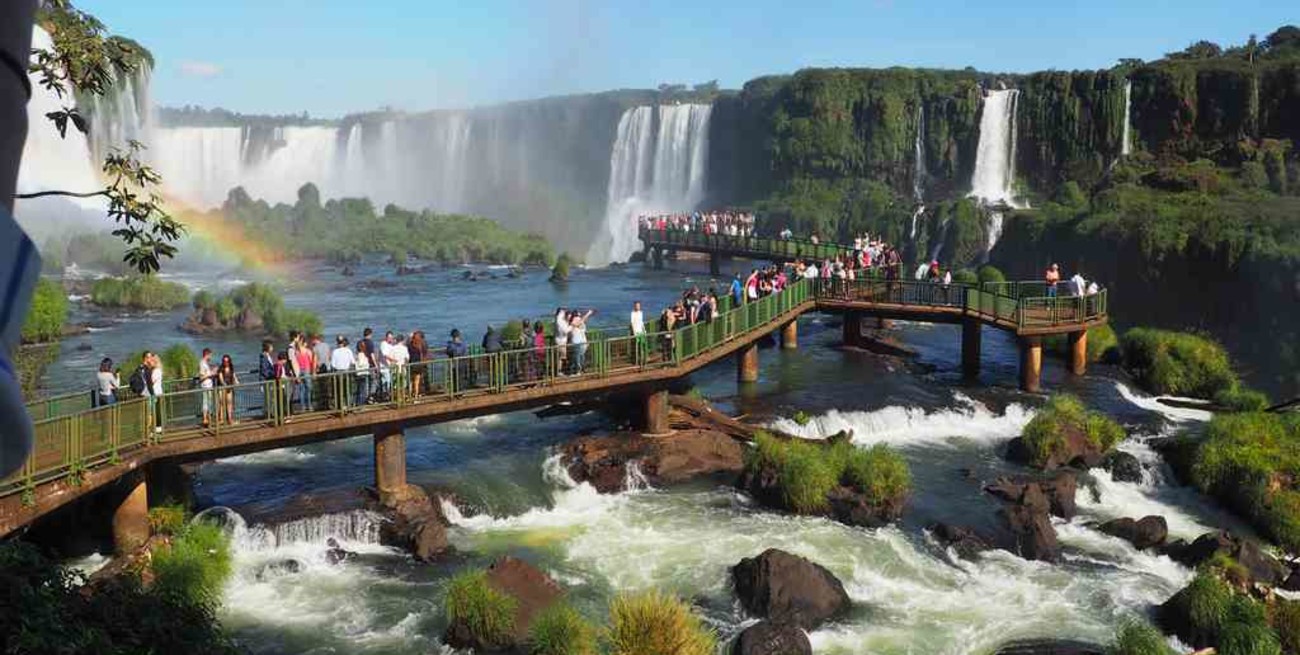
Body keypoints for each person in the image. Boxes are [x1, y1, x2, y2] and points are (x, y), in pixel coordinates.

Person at [569, 309, 594, 373]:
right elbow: (580, 322)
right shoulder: (572, 322)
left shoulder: (579, 320)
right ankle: (578, 370)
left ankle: (582, 368)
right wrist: (588, 313)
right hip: (576, 341)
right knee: (577, 356)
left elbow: (583, 321)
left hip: (582, 340)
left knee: (581, 355)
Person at [216, 355, 238, 425]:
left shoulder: (231, 368)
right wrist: (224, 384)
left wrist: (236, 381)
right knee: (221, 403)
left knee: (229, 403)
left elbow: (234, 376)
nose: (226, 363)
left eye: (227, 361)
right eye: (224, 361)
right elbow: (221, 378)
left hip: (229, 388)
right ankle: (221, 420)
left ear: (229, 361)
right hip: (222, 388)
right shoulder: (221, 369)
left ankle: (230, 419)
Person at [198, 348, 215, 428]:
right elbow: (201, 377)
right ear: (207, 355)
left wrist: (212, 372)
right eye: (210, 355)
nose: (211, 357)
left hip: (209, 386)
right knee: (206, 403)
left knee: (209, 403)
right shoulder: (202, 363)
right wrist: (210, 374)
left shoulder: (205, 363)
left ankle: (208, 419)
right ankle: (205, 419)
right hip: (205, 386)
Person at [147, 351, 163, 433]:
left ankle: (157, 428)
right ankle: (157, 428)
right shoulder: (156, 370)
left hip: (156, 393)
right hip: (156, 392)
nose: (150, 362)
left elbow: (151, 381)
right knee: (156, 411)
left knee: (155, 411)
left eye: (152, 361)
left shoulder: (156, 370)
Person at [354, 340, 373, 405]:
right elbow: (361, 363)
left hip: (361, 373)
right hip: (362, 373)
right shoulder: (361, 354)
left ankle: (359, 403)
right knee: (362, 390)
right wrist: (366, 363)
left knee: (361, 389)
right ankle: (360, 403)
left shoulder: (360, 354)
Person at [408, 331, 427, 397]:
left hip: (411, 364)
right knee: (417, 382)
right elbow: (423, 354)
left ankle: (410, 395)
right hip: (418, 364)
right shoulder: (420, 345)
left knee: (411, 381)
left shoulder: (410, 345)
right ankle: (416, 396)